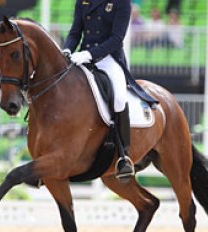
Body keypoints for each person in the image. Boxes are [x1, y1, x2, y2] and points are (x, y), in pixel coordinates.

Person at [62, 0, 146, 182]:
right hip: (82, 56)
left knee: (119, 98)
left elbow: (117, 38)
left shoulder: (121, 3)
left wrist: (90, 55)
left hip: (109, 58)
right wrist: (68, 49)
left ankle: (124, 156)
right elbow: (75, 31)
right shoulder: (82, 1)